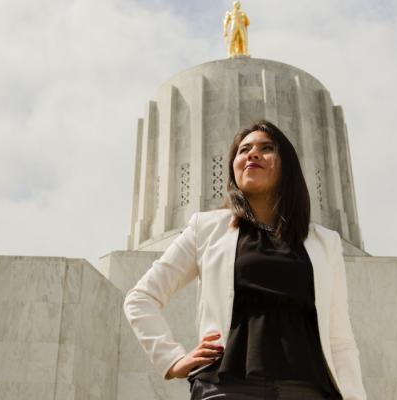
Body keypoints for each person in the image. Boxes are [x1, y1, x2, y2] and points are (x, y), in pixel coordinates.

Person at [123, 120, 367, 399]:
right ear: (234, 167)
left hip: (307, 389)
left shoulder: (324, 242)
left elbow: (340, 339)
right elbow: (140, 297)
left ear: (287, 165)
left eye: (266, 148)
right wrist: (172, 360)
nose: (252, 154)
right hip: (228, 387)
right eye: (243, 150)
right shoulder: (207, 228)